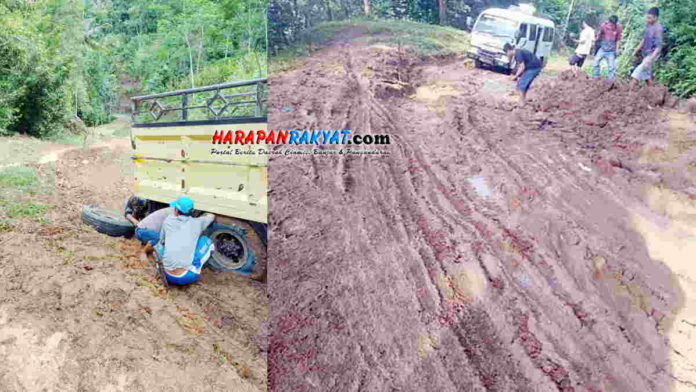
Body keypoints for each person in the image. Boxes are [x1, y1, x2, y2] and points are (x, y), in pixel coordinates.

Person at [154, 196, 216, 286]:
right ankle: (195, 267)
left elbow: (162, 241)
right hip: (186, 277)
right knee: (206, 241)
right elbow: (211, 216)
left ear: (176, 210)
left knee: (161, 246)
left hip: (166, 273)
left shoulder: (168, 220)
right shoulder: (197, 223)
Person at [630, 7, 664, 88]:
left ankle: (629, 93)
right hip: (645, 53)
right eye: (647, 17)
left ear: (655, 18)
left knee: (636, 73)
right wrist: (636, 50)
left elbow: (659, 47)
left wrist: (651, 58)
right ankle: (652, 93)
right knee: (647, 76)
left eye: (650, 18)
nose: (647, 19)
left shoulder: (658, 29)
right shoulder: (648, 25)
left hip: (651, 54)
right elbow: (644, 39)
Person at [593, 15, 623, 80]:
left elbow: (618, 39)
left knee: (611, 67)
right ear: (609, 22)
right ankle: (596, 76)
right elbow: (599, 35)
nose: (611, 26)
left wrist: (617, 49)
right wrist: (595, 40)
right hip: (603, 48)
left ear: (615, 24)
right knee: (595, 62)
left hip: (611, 50)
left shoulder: (618, 27)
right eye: (610, 24)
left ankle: (610, 81)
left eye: (613, 25)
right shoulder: (603, 25)